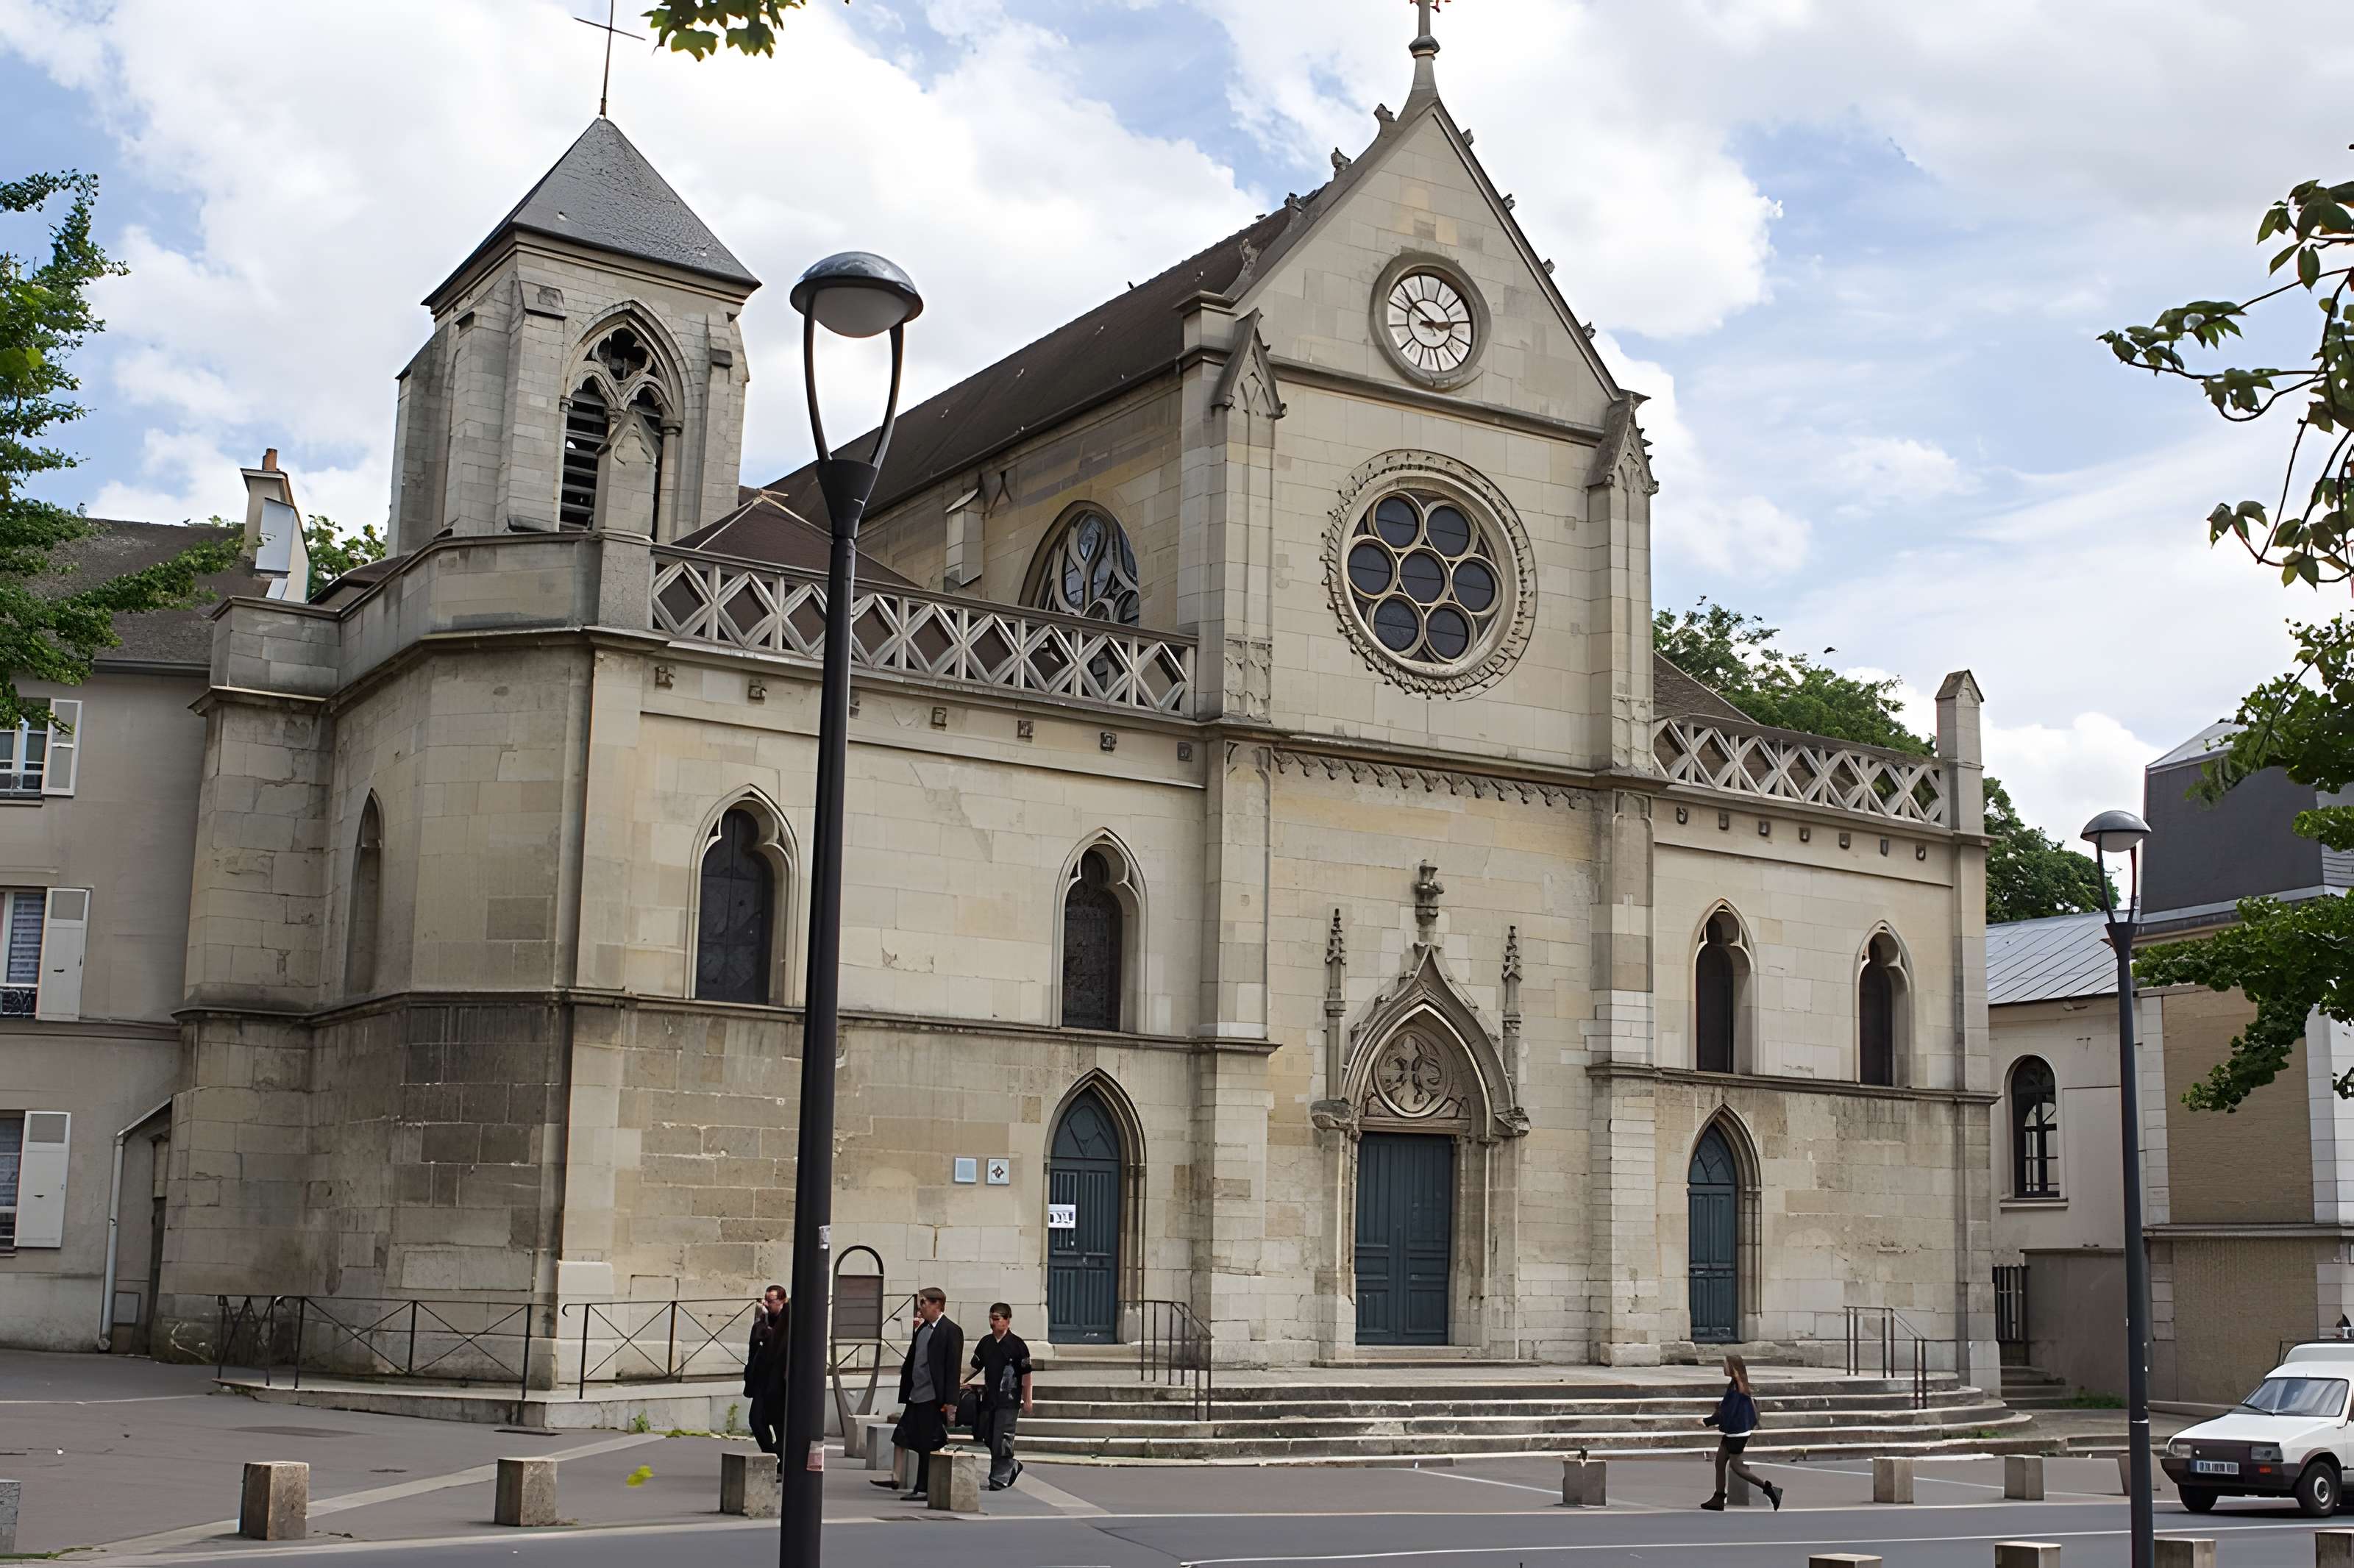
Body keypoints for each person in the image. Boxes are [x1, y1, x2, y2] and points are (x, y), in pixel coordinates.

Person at [871, 1286, 962, 1502]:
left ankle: (924, 1488)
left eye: (923, 1303)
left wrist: (951, 1402)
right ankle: (902, 1479)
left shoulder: (951, 1330)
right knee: (906, 1436)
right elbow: (914, 1360)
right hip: (916, 1394)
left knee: (928, 1443)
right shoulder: (922, 1330)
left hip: (933, 1397)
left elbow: (953, 1369)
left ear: (937, 1305)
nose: (920, 1308)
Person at [964, 1302, 1035, 1490]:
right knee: (989, 1437)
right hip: (990, 1398)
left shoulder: (1018, 1345)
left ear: (1007, 1320)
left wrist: (1028, 1399)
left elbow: (1026, 1375)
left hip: (1009, 1399)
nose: (993, 1323)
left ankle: (1000, 1476)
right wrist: (960, 1381)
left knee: (1002, 1439)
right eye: (991, 1318)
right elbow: (975, 1366)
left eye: (997, 1319)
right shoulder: (986, 1343)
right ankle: (1010, 1467)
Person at [1700, 1353, 1782, 1511]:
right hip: (1735, 1431)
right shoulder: (1736, 1384)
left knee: (1737, 1467)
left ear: (1732, 1367)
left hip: (1737, 1433)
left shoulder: (1738, 1389)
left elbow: (1728, 1413)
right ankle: (1718, 1498)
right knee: (1720, 1462)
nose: (1723, 1367)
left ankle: (1770, 1489)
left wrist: (1707, 1421)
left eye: (1725, 1364)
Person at [743, 1284, 789, 1460]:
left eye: (771, 1301)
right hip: (762, 1382)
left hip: (779, 1384)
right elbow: (754, 1347)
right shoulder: (763, 1320)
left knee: (780, 1425)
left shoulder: (788, 1323)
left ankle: (781, 1460)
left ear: (782, 1302)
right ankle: (771, 1455)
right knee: (756, 1421)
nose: (766, 1304)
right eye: (765, 1299)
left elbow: (776, 1343)